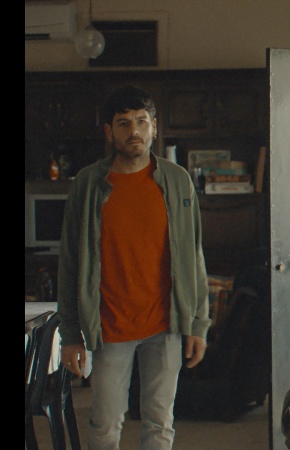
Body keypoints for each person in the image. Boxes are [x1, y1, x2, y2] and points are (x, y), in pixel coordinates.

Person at [57, 85, 211, 450]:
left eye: (141, 121)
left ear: (154, 126)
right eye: (123, 123)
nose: (134, 131)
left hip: (166, 323)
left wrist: (197, 323)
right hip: (110, 325)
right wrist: (71, 334)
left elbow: (193, 255)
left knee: (160, 422)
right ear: (109, 131)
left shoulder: (177, 180)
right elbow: (70, 262)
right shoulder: (88, 184)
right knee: (104, 424)